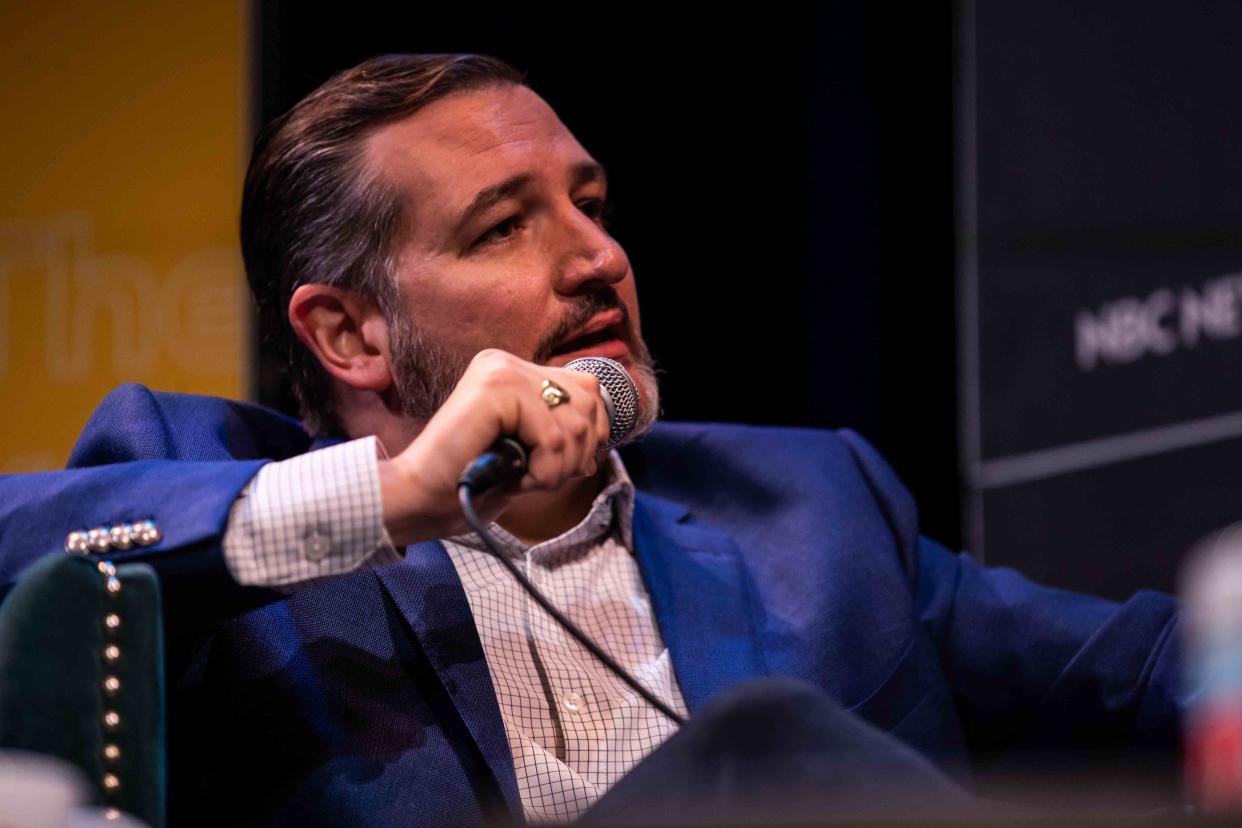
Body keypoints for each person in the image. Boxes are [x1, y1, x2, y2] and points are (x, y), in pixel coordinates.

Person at [0, 54, 1183, 825]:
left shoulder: (805, 507)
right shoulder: (212, 492)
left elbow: (1149, 673)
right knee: (760, 748)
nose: (597, 258)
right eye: (504, 227)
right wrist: (404, 494)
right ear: (349, 333)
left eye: (591, 205)